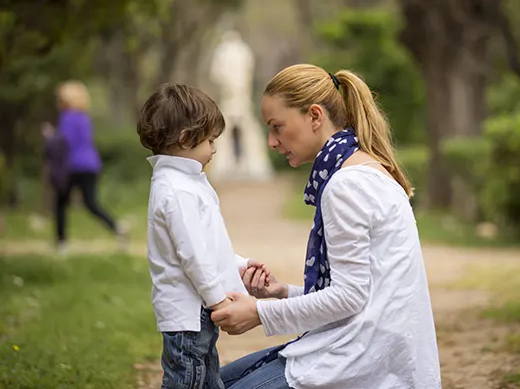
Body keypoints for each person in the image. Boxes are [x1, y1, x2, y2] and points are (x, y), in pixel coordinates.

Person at [211, 64, 442, 389]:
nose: (272, 142)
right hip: (369, 348)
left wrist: (260, 313)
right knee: (217, 380)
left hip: (361, 361)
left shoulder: (346, 185)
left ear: (315, 116)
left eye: (277, 127)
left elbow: (349, 298)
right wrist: (282, 293)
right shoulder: (363, 168)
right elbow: (362, 292)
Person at [137, 83, 271, 389]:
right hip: (189, 313)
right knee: (188, 380)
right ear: (186, 139)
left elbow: (208, 244)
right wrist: (217, 300)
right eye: (210, 140)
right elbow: (193, 255)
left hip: (199, 311)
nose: (214, 148)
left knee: (209, 379)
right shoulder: (176, 189)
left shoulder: (187, 182)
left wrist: (239, 264)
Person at [54, 80, 125, 254]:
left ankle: (61, 243)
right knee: (91, 203)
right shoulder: (84, 117)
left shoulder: (67, 117)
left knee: (61, 203)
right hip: (91, 164)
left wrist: (50, 138)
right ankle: (116, 227)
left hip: (72, 165)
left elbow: (65, 142)